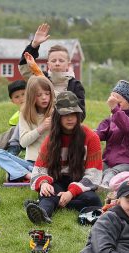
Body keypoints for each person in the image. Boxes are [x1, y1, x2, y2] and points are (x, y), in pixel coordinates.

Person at [26, 91, 102, 224]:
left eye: (73, 114)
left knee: (93, 200)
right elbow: (39, 170)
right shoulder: (51, 139)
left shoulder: (91, 137)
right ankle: (43, 213)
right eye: (65, 114)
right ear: (57, 116)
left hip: (80, 182)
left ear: (79, 115)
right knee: (48, 193)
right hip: (57, 181)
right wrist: (43, 184)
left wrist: (71, 193)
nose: (70, 118)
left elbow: (93, 176)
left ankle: (51, 203)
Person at [0, 76, 54, 184]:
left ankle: (21, 174)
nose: (44, 98)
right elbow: (23, 142)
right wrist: (41, 128)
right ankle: (31, 176)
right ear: (32, 96)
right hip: (31, 163)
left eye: (47, 94)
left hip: (50, 164)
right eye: (39, 95)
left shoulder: (56, 112)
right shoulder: (24, 114)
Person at [18, 23, 85, 118]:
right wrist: (34, 45)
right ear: (48, 64)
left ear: (68, 64)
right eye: (53, 60)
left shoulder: (75, 85)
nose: (57, 63)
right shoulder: (41, 78)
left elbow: (81, 115)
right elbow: (24, 68)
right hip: (38, 124)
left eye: (61, 60)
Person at [96, 80, 129, 187]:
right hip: (109, 162)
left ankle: (104, 189)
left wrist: (115, 109)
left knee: (110, 173)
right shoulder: (110, 119)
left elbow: (128, 128)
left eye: (117, 99)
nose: (113, 101)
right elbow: (97, 134)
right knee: (95, 168)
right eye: (112, 97)